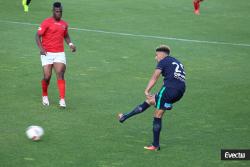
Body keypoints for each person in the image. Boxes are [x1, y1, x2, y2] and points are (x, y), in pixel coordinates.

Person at [118, 45, 186, 151]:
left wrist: (147, 90)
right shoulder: (176, 61)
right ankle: (124, 117)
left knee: (157, 115)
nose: (155, 58)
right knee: (150, 100)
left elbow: (155, 77)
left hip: (169, 89)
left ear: (161, 54)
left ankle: (155, 145)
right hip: (180, 90)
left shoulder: (163, 61)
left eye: (156, 55)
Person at [35, 2, 76, 108]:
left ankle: (62, 100)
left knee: (60, 73)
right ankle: (45, 95)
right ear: (53, 11)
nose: (59, 13)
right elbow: (37, 36)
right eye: (57, 11)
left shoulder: (64, 24)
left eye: (60, 12)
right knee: (47, 77)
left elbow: (66, 35)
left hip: (59, 53)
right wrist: (41, 49)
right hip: (47, 53)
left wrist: (71, 44)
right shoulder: (46, 22)